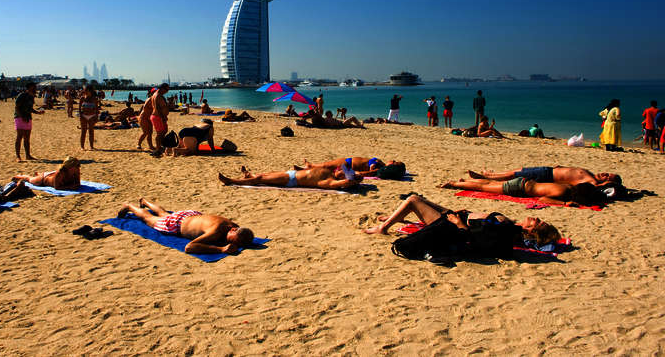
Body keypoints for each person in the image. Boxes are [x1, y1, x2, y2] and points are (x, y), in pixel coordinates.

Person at [362, 194, 561, 258]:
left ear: (531, 230)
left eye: (536, 221)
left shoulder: (506, 227)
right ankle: (396, 216)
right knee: (420, 200)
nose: (534, 217)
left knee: (414, 199)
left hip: (451, 225)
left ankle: (383, 228)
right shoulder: (509, 226)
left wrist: (458, 222)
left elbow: (474, 238)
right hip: (458, 217)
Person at [117, 198, 254, 254]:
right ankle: (129, 206)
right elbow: (189, 247)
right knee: (149, 219)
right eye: (231, 239)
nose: (228, 241)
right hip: (177, 224)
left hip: (191, 214)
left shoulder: (234, 226)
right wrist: (221, 249)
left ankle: (145, 201)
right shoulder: (216, 232)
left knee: (164, 213)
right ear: (233, 229)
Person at [441, 177, 603, 207]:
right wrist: (565, 203)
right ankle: (454, 184)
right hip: (519, 188)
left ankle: (464, 182)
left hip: (525, 182)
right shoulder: (563, 194)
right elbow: (544, 200)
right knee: (485, 187)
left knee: (491, 183)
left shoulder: (567, 186)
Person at [218, 165, 359, 190]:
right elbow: (346, 167)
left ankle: (231, 181)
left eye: (343, 171)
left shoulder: (329, 181)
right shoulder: (330, 173)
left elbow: (346, 182)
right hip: (290, 174)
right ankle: (249, 175)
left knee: (260, 179)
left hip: (291, 180)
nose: (340, 170)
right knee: (265, 175)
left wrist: (349, 180)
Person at [467, 167, 620, 187]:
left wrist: (610, 185)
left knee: (514, 175)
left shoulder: (591, 181)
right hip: (549, 171)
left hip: (547, 176)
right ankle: (491, 174)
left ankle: (485, 177)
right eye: (607, 172)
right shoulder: (592, 175)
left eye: (607, 176)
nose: (604, 173)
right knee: (518, 170)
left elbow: (597, 187)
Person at [14, 82, 44, 162]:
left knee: (27, 138)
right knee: (19, 137)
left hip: (28, 118)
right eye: (34, 87)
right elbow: (17, 107)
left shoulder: (31, 97)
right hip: (19, 117)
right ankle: (18, 156)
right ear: (29, 87)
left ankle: (28, 155)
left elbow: (30, 108)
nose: (35, 89)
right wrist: (22, 116)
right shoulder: (22, 95)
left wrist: (37, 112)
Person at [13, 156, 82, 190]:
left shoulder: (76, 171)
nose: (78, 167)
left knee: (46, 175)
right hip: (43, 180)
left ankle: (39, 173)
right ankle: (20, 176)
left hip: (51, 175)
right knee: (30, 179)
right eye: (76, 166)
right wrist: (70, 187)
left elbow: (77, 183)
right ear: (70, 167)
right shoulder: (60, 173)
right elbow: (57, 187)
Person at [78, 85, 101, 150]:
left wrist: (96, 117)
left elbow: (96, 109)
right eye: (84, 90)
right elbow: (79, 109)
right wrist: (80, 116)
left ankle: (91, 146)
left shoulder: (94, 99)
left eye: (85, 90)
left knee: (91, 131)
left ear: (90, 91)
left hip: (92, 116)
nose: (84, 91)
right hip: (83, 117)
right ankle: (82, 147)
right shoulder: (82, 98)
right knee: (83, 132)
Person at [151, 83, 170, 155]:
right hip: (158, 117)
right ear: (162, 88)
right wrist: (163, 117)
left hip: (158, 116)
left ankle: (160, 147)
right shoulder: (158, 96)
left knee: (164, 131)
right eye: (166, 89)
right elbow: (158, 108)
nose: (167, 91)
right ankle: (157, 149)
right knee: (160, 133)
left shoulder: (157, 95)